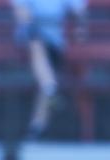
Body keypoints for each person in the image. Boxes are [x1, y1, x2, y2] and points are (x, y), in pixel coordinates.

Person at [10, 0, 87, 139]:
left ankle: (37, 125)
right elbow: (22, 15)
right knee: (36, 41)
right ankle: (39, 123)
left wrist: (79, 27)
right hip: (30, 37)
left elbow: (79, 11)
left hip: (54, 42)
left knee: (45, 74)